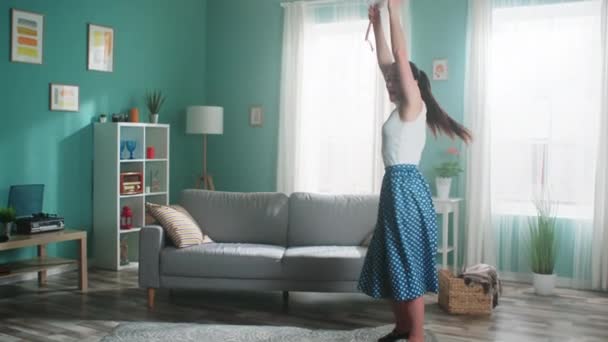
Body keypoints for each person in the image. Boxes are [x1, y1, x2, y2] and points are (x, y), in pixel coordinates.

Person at [357, 1, 472, 341]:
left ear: (413, 85)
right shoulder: (399, 110)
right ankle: (402, 328)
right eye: (390, 80)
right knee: (392, 259)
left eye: (397, 79)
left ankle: (416, 336)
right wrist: (376, 21)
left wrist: (394, 12)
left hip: (406, 189)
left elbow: (399, 54)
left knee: (406, 262)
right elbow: (384, 60)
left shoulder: (413, 105)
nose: (390, 83)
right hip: (394, 188)